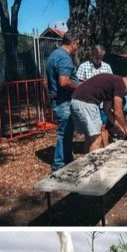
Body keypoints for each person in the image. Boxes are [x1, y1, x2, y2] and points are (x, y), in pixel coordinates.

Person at [71, 73, 127, 152]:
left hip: (77, 101)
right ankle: (94, 163)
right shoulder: (121, 83)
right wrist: (126, 128)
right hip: (87, 103)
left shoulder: (113, 83)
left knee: (90, 138)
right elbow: (118, 111)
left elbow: (106, 109)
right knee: (96, 139)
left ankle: (88, 161)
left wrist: (121, 128)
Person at [45, 32, 80, 170]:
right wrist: (79, 86)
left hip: (58, 100)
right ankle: (59, 165)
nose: (77, 48)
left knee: (67, 131)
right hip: (64, 101)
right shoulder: (65, 58)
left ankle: (67, 159)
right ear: (73, 44)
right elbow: (64, 82)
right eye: (77, 45)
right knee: (64, 132)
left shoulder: (54, 55)